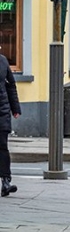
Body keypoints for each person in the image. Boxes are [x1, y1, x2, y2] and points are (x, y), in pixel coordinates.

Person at [0, 50, 21, 197]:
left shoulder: (2, 61)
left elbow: (11, 85)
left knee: (2, 147)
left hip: (2, 111)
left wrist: (15, 108)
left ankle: (6, 182)